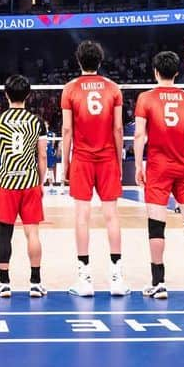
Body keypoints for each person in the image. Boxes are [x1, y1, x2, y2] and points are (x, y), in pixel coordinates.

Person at [134, 51, 184, 300]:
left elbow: (140, 136)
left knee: (156, 226)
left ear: (155, 71)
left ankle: (159, 282)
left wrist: (137, 166)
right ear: (177, 73)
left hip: (158, 167)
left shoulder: (146, 98)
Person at [61, 40, 126, 297]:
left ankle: (84, 278)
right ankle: (117, 278)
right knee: (112, 215)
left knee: (82, 216)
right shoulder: (113, 88)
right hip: (108, 157)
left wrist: (65, 163)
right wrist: (119, 162)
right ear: (100, 61)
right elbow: (119, 129)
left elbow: (67, 130)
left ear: (79, 61)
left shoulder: (69, 89)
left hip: (83, 159)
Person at [0, 75, 48, 298]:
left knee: (5, 234)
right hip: (30, 182)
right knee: (32, 233)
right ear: (28, 95)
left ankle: (4, 283)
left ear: (6, 95)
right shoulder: (37, 122)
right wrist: (40, 181)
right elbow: (42, 156)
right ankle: (35, 282)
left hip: (7, 183)